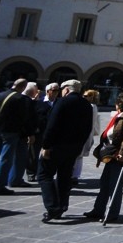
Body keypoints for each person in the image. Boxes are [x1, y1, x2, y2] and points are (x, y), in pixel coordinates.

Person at [37, 80, 93, 222]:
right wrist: (79, 145)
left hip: (56, 146)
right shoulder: (86, 105)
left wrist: (46, 145)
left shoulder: (62, 102)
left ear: (66, 90)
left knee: (44, 175)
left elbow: (52, 125)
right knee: (65, 177)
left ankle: (52, 207)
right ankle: (62, 206)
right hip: (73, 147)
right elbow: (87, 128)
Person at [83, 92, 123, 223]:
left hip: (118, 155)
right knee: (104, 183)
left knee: (114, 185)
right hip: (111, 154)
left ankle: (111, 213)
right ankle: (98, 210)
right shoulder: (120, 115)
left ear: (120, 104)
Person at [0, 79, 34, 196]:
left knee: (1, 156)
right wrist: (30, 133)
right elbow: (25, 118)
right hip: (11, 131)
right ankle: (0, 184)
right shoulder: (21, 99)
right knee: (6, 158)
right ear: (23, 87)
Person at [8, 81, 37, 187]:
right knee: (19, 157)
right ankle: (15, 179)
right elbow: (28, 119)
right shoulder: (25, 100)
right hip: (19, 133)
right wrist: (31, 133)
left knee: (5, 157)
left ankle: (4, 179)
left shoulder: (2, 96)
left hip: (3, 131)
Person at [72, 89, 101, 185]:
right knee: (78, 156)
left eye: (86, 96)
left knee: (78, 156)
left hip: (85, 134)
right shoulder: (93, 107)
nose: (83, 97)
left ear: (91, 97)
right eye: (83, 95)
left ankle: (74, 175)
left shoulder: (90, 107)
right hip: (87, 134)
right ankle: (75, 175)